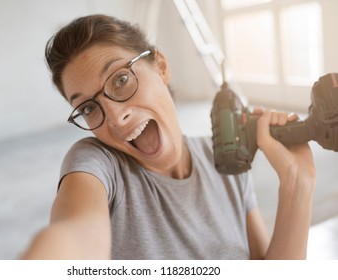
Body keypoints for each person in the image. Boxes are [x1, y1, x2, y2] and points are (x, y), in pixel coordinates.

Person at [22, 14, 316, 259]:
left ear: (161, 66)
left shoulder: (228, 161)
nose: (114, 117)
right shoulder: (97, 164)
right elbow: (76, 235)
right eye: (88, 107)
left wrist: (297, 183)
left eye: (121, 79)